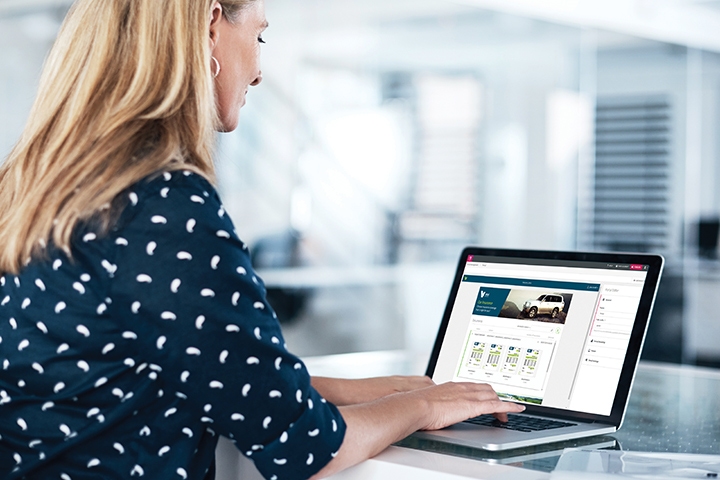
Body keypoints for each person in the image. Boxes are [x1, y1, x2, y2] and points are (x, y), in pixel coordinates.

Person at [0, 0, 525, 479]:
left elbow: (172, 373)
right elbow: (307, 451)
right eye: (259, 37)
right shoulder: (162, 204)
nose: (258, 71)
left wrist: (369, 391)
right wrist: (427, 407)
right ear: (210, 26)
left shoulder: (30, 190)